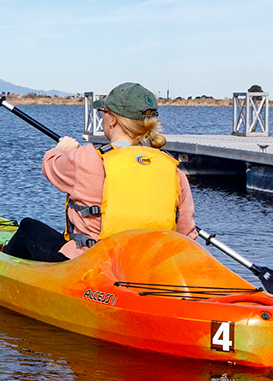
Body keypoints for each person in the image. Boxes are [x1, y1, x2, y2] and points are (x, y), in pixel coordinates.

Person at [38, 82, 196, 260]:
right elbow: (186, 234)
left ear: (113, 120)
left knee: (29, 229)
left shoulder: (88, 158)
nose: (102, 117)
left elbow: (49, 165)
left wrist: (62, 149)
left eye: (103, 112)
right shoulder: (173, 170)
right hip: (149, 265)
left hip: (91, 264)